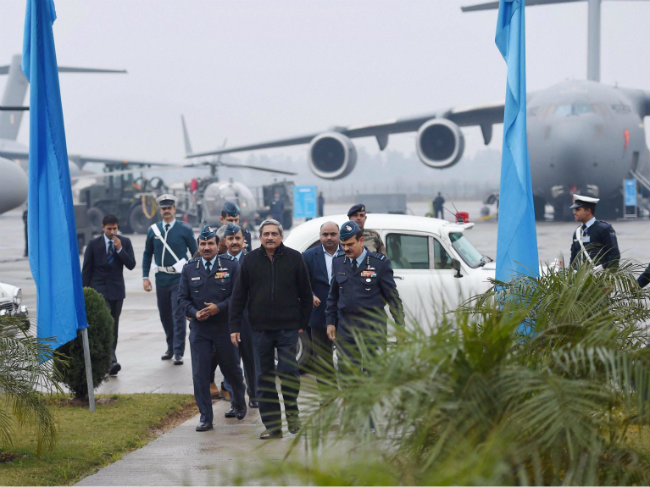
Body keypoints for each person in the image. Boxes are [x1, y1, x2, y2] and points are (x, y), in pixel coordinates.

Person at [229, 218, 312, 439]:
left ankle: (292, 415)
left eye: (274, 234)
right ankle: (273, 426)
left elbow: (306, 295)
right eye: (266, 234)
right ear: (260, 237)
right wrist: (234, 326)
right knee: (263, 378)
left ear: (281, 236)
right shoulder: (249, 261)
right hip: (260, 330)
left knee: (288, 372)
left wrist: (301, 324)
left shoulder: (295, 259)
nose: (270, 237)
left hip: (287, 328)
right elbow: (238, 296)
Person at [178, 226, 247, 431]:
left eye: (210, 244)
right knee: (200, 374)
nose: (206, 247)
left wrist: (220, 308)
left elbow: (238, 295)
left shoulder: (231, 265)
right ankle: (205, 417)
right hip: (200, 330)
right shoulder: (190, 268)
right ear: (198, 246)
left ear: (218, 246)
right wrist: (193, 311)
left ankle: (238, 403)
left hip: (224, 327)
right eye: (203, 244)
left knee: (232, 370)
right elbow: (182, 298)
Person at [325, 220, 404, 367]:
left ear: (361, 241)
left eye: (350, 244)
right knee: (347, 372)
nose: (346, 249)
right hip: (346, 327)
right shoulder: (338, 262)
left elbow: (393, 298)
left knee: (373, 373)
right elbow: (333, 295)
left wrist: (400, 326)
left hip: (372, 328)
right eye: (343, 245)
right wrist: (330, 322)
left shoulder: (379, 263)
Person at [142, 194, 198, 365]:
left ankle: (179, 351)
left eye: (169, 208)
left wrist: (194, 276)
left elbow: (195, 253)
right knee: (165, 315)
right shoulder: (153, 230)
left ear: (174, 209)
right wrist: (145, 276)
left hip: (179, 279)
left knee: (178, 315)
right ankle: (170, 346)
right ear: (161, 210)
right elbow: (147, 254)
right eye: (163, 208)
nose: (166, 211)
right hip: (161, 279)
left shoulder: (185, 229)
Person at [82, 214, 136, 376]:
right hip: (98, 289)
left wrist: (119, 249)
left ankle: (108, 359)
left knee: (114, 325)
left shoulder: (124, 242)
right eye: (109, 229)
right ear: (102, 228)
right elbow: (86, 270)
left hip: (117, 290)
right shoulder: (93, 244)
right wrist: (84, 292)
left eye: (115, 228)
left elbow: (131, 265)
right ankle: (111, 360)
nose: (112, 232)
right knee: (105, 321)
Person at [302, 221, 342, 388]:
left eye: (333, 234)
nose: (329, 238)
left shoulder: (348, 253)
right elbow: (302, 283)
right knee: (323, 360)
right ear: (320, 237)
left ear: (339, 235)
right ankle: (327, 399)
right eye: (325, 234)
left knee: (347, 358)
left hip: (344, 315)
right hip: (319, 316)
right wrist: (309, 295)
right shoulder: (309, 256)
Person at [223, 222, 259, 408]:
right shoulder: (220, 261)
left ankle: (254, 395)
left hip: (249, 317)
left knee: (251, 359)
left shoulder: (253, 259)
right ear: (225, 241)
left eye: (238, 238)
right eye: (231, 239)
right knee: (230, 362)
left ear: (244, 241)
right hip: (227, 319)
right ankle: (234, 401)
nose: (234, 242)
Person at [569, 194, 620, 270]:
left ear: (588, 211)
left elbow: (614, 256)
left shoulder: (604, 229)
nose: (574, 212)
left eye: (578, 209)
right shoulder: (577, 232)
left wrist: (601, 268)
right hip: (580, 280)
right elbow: (573, 258)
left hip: (600, 277)